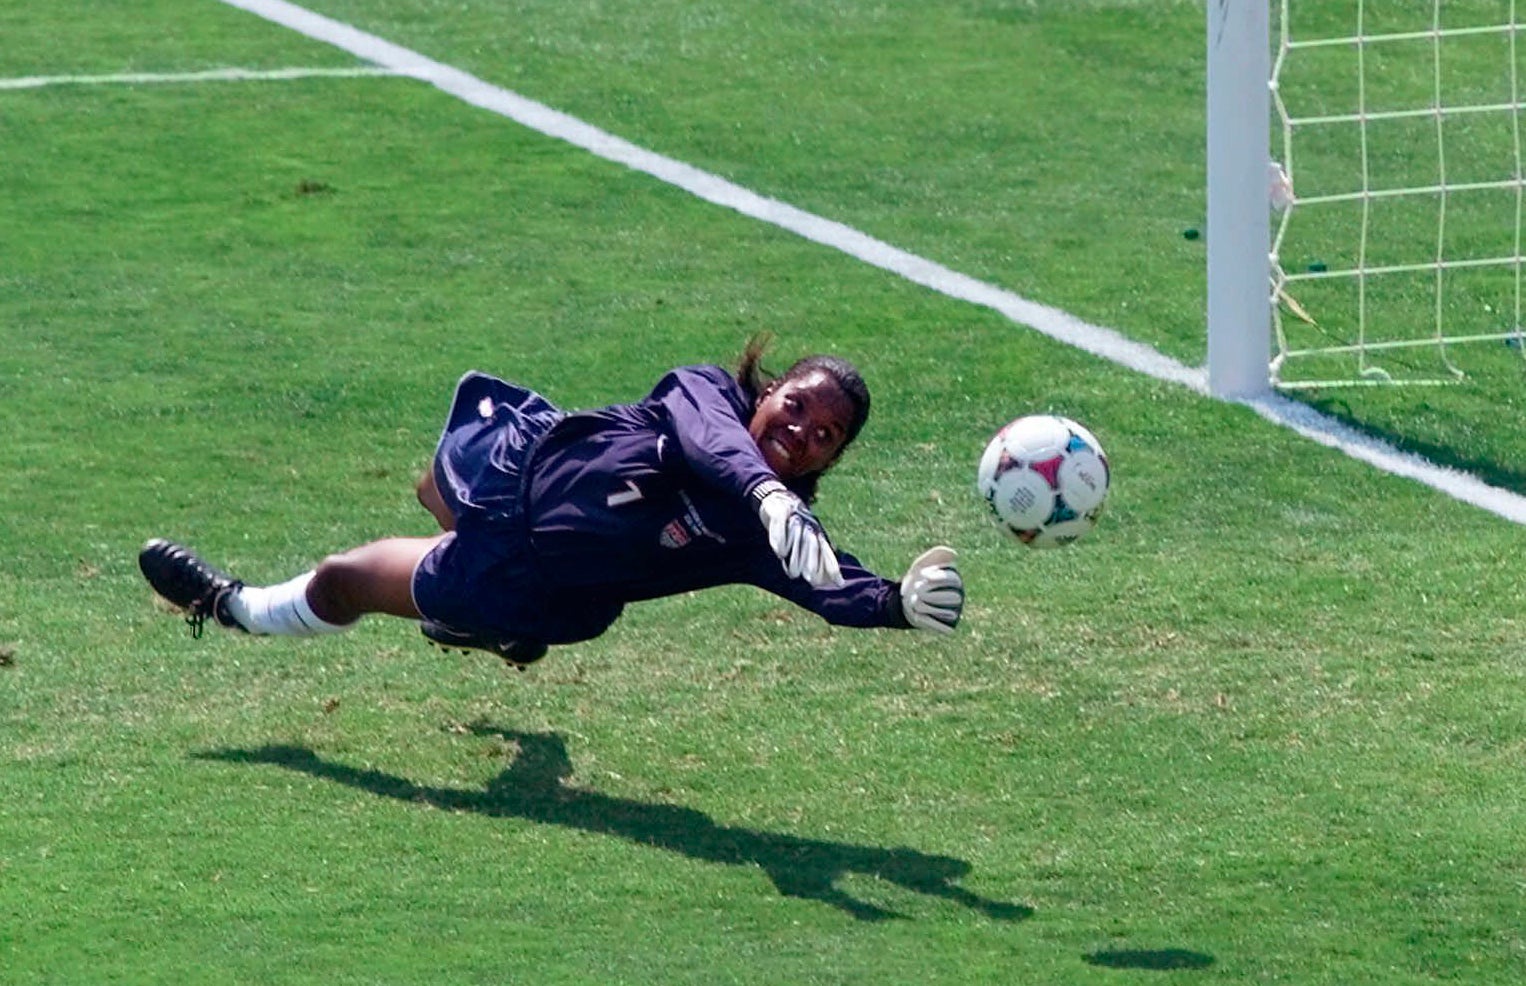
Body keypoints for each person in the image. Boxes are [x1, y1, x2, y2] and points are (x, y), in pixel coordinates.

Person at [139, 337, 963, 668]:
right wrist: (767, 491)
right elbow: (710, 438)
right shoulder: (705, 393)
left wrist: (898, 603)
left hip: (531, 579)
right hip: (518, 463)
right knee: (430, 485)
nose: (802, 431)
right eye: (797, 405)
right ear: (769, 388)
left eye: (826, 435)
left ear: (834, 458)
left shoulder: (764, 534)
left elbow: (829, 585)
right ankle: (484, 622)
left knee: (343, 577)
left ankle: (233, 605)